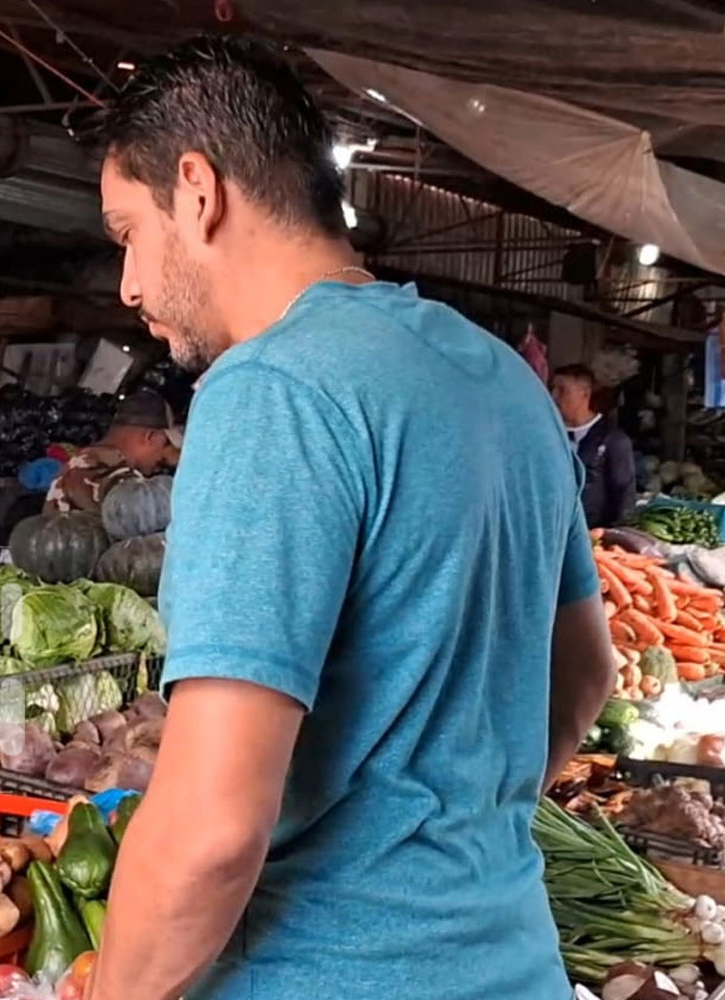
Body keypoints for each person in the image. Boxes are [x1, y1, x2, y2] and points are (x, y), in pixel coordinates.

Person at [88, 36, 617, 1000]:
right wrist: (436, 832)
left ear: (198, 191)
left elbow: (211, 829)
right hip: (512, 962)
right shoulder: (503, 378)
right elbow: (585, 678)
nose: (127, 287)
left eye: (128, 232)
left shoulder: (272, 389)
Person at [43, 388, 182, 513]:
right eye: (165, 445)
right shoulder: (113, 473)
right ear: (149, 436)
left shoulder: (80, 462)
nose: (159, 466)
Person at [551, 363, 637, 528]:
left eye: (562, 390)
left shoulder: (613, 439)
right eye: (552, 388)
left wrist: (615, 534)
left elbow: (624, 493)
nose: (554, 396)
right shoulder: (549, 433)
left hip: (592, 533)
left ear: (584, 393)